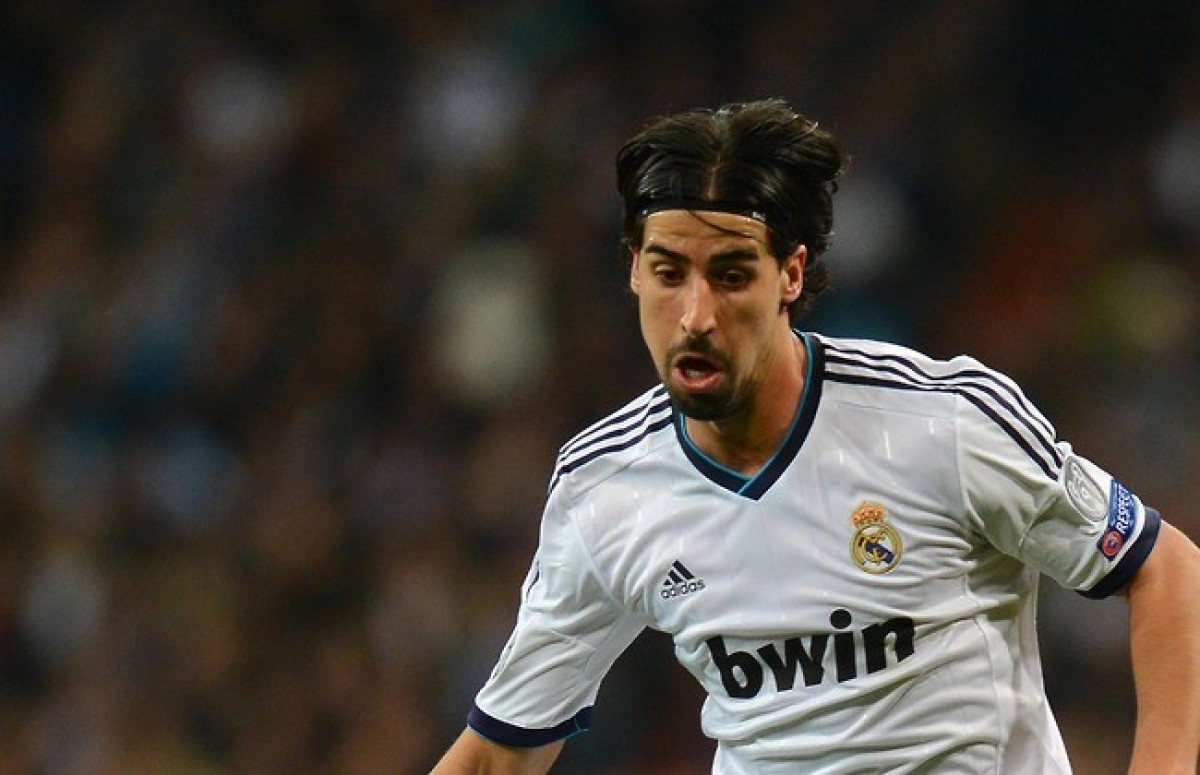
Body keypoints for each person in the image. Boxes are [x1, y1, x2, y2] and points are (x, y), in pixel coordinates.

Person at [432, 99, 1200, 773]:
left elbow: (1167, 572)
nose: (695, 315)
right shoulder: (605, 490)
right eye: (669, 273)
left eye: (732, 275)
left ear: (791, 274)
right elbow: (499, 751)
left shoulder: (942, 424)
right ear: (635, 271)